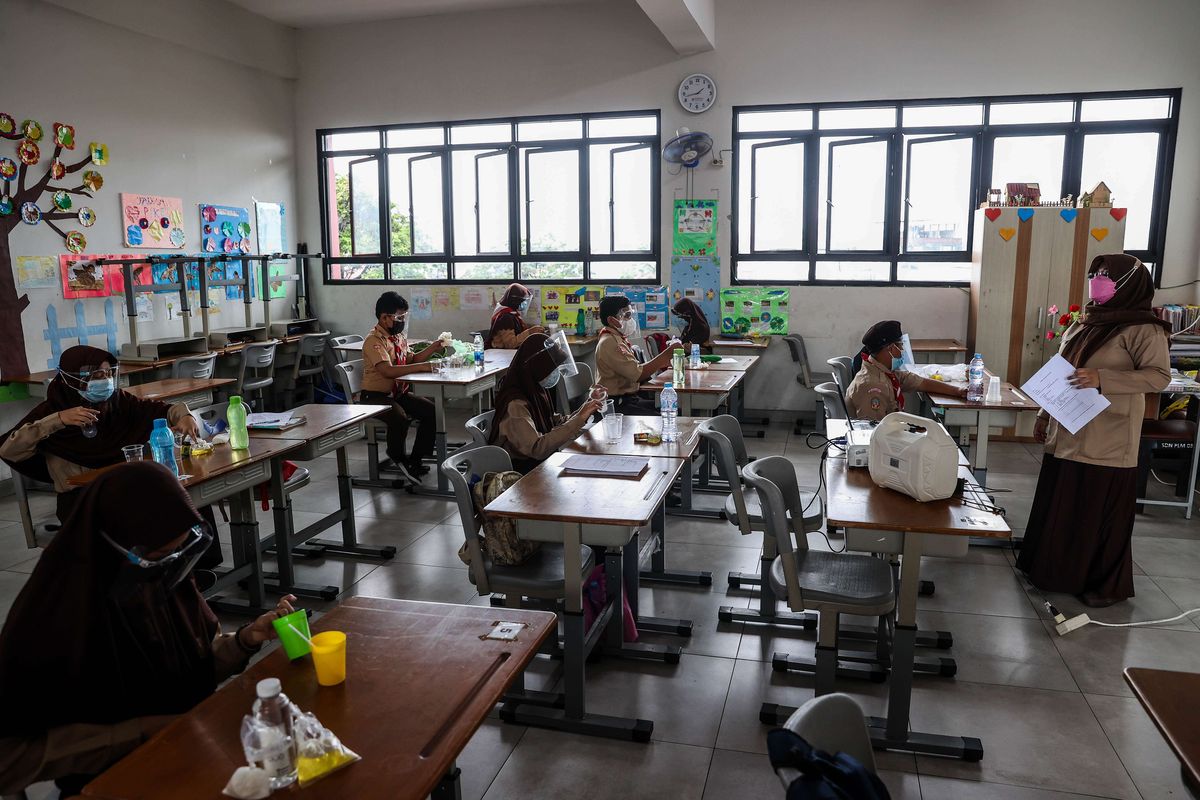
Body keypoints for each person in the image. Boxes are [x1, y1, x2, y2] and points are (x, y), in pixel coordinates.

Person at [0, 461, 296, 797]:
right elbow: (9, 757)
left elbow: (194, 670)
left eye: (177, 551)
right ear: (114, 541)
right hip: (114, 780)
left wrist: (244, 640)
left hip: (188, 749)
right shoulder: (54, 617)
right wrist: (137, 734)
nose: (171, 564)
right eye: (159, 554)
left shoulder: (157, 577)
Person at [1018, 254, 1170, 607]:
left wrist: (1104, 378)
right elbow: (1063, 371)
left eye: (1106, 276)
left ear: (1129, 284)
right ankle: (1054, 573)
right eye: (1096, 274)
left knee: (1094, 511)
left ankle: (1101, 584)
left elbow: (1158, 377)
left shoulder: (1144, 329)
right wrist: (1043, 414)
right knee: (1064, 504)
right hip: (1068, 427)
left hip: (1108, 437)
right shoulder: (1085, 322)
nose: (1097, 281)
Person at [0, 346, 211, 550]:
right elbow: (9, 450)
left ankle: (195, 567)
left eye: (109, 373)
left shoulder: (117, 402)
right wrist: (58, 421)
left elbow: (159, 409)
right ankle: (150, 575)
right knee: (148, 516)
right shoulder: (51, 412)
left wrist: (184, 416)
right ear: (73, 378)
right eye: (97, 375)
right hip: (81, 498)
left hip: (121, 485)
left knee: (182, 499)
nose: (106, 381)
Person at [360, 291, 447, 483]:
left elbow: (412, 359)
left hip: (397, 394)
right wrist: (424, 367)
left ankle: (416, 459)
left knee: (430, 411)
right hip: (374, 397)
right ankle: (398, 457)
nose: (402, 321)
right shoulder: (374, 341)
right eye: (399, 317)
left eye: (404, 317)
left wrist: (433, 348)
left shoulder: (397, 338)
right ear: (384, 317)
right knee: (399, 417)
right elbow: (387, 371)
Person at [488, 333, 604, 473]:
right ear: (537, 367)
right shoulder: (515, 404)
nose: (556, 373)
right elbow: (537, 449)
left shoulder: (534, 389)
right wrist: (579, 418)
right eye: (552, 368)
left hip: (539, 465)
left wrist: (586, 408)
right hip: (522, 473)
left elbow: (555, 423)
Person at [844, 320, 966, 422]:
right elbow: (873, 433)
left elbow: (921, 382)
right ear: (890, 348)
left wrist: (959, 391)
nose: (903, 350)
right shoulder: (872, 386)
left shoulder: (884, 372)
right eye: (901, 346)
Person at [594, 295, 680, 415]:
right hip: (616, 406)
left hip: (629, 399)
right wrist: (665, 356)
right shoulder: (610, 342)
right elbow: (637, 374)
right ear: (611, 320)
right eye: (627, 315)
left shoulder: (617, 338)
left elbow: (636, 370)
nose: (631, 320)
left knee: (674, 408)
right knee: (665, 415)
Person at [487, 283, 544, 349]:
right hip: (502, 353)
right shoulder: (505, 317)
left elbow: (517, 328)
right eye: (523, 301)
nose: (524, 304)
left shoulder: (511, 313)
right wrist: (530, 332)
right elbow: (511, 344)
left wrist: (533, 328)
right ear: (515, 301)